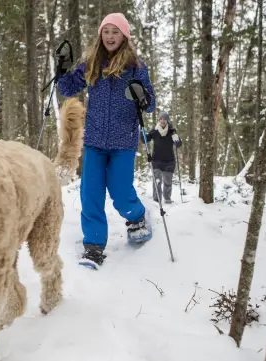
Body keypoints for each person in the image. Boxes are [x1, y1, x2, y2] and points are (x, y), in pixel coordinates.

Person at [56, 12, 156, 269]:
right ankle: (94, 245)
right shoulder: (92, 62)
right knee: (90, 193)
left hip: (123, 141)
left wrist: (143, 97)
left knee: (121, 192)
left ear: (124, 36)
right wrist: (63, 69)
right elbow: (68, 88)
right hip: (95, 140)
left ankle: (137, 217)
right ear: (101, 35)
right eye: (106, 31)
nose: (110, 36)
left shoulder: (136, 67)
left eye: (116, 32)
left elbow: (150, 104)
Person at [144, 112, 181, 204]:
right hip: (156, 160)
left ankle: (167, 199)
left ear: (167, 120)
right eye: (161, 119)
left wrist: (177, 138)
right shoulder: (154, 131)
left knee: (168, 182)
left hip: (169, 161)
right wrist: (142, 133)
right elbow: (145, 140)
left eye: (164, 119)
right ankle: (156, 200)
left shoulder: (172, 131)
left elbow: (178, 145)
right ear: (159, 120)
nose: (162, 120)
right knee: (157, 182)